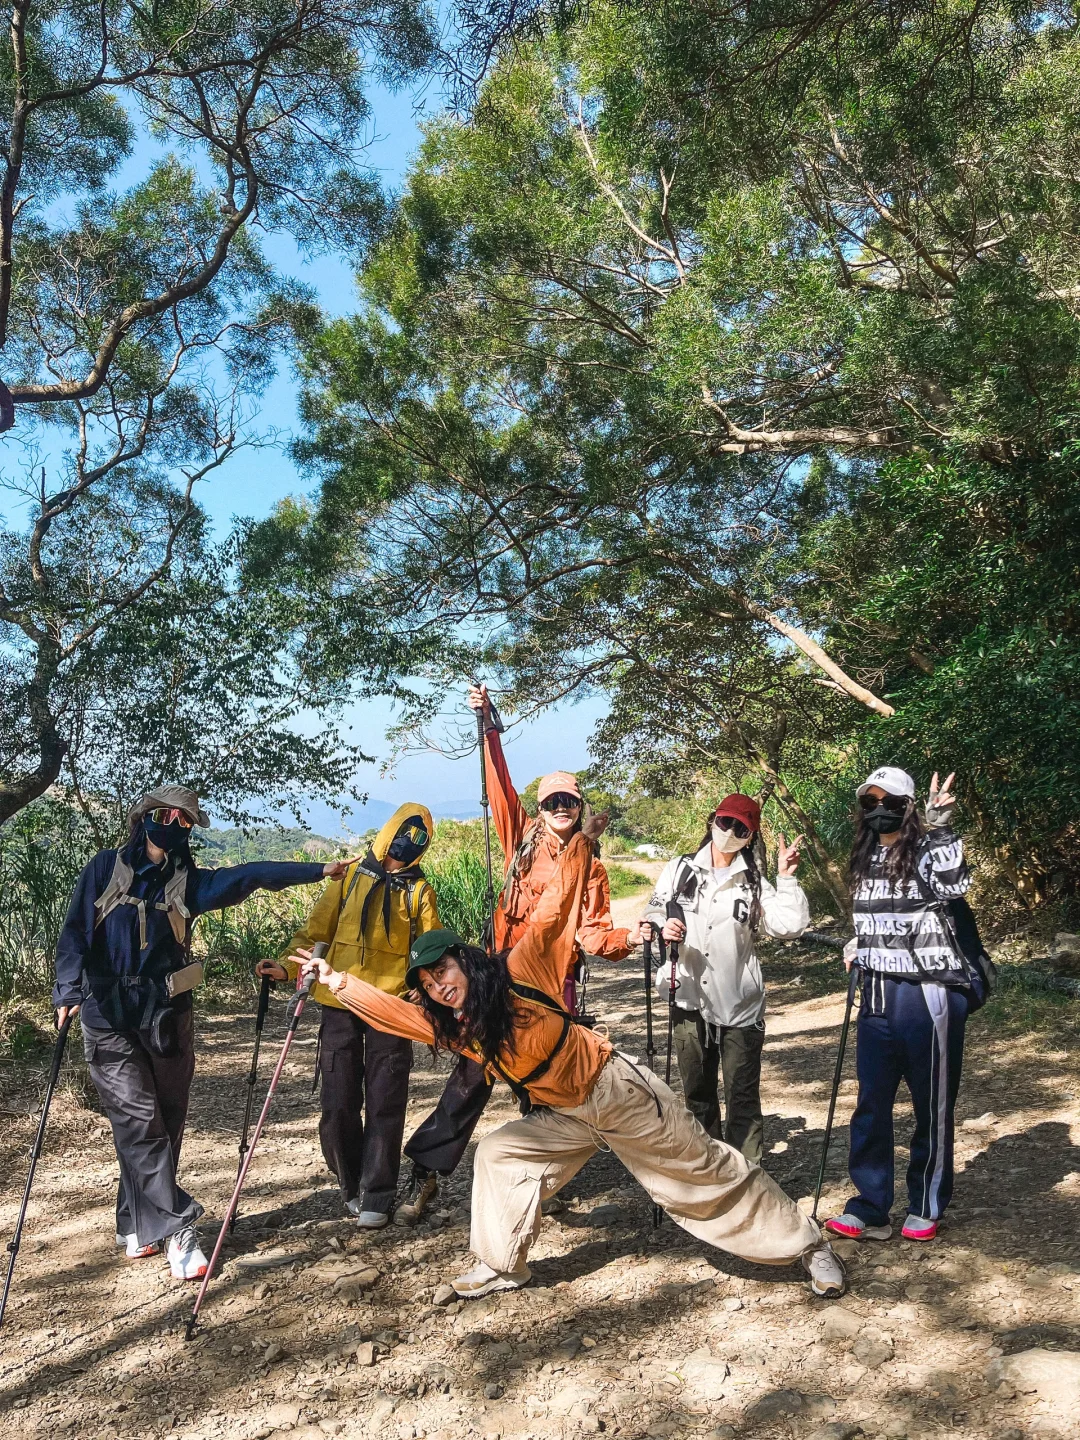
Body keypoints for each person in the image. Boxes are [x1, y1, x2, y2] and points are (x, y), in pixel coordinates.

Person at [291, 817, 847, 1301]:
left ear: (464, 962)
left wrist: (580, 843)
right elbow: (392, 1014)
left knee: (702, 1172)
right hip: (564, 1116)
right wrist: (338, 981)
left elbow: (554, 909)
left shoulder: (521, 971)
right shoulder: (456, 1026)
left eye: (444, 973)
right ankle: (501, 1263)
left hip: (617, 1092)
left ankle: (806, 1242)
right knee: (500, 1154)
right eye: (428, 984)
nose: (439, 987)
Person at [53, 786, 349, 1280]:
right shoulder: (105, 869)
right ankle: (177, 1228)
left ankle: (135, 1223)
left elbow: (250, 875)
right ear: (144, 817)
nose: (178, 826)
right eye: (170, 816)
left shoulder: (188, 882)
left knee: (165, 1122)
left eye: (187, 822)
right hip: (107, 1015)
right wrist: (66, 993)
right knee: (137, 1121)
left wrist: (320, 870)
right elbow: (74, 933)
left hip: (167, 1014)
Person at [394, 682, 650, 1227]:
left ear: (579, 808)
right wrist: (488, 724)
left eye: (569, 801)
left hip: (552, 986)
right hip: (497, 977)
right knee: (471, 1072)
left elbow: (596, 934)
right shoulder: (521, 841)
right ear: (541, 808)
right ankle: (426, 1174)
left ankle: (543, 1179)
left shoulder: (593, 867)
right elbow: (500, 788)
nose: (560, 808)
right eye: (552, 801)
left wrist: (636, 939)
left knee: (546, 1076)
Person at [256, 805, 440, 1229]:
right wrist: (286, 967)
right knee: (338, 1101)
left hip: (389, 1007)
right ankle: (350, 1184)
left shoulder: (419, 891)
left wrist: (425, 985)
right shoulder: (352, 878)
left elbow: (430, 946)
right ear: (388, 830)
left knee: (385, 1100)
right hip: (338, 1002)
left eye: (419, 835)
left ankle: (378, 1193)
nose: (408, 840)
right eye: (404, 830)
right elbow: (316, 934)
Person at [826, 766, 976, 1244]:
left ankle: (927, 1202)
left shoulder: (929, 849)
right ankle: (871, 1207)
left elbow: (953, 887)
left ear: (907, 804)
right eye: (868, 802)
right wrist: (858, 947)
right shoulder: (865, 856)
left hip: (926, 992)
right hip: (876, 992)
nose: (876, 809)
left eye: (886, 800)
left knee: (931, 1102)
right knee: (870, 1103)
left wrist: (943, 825)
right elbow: (874, 919)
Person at [645, 793, 809, 1163]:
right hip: (688, 997)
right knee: (697, 1094)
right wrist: (660, 925)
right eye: (725, 822)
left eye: (741, 828)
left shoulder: (753, 882)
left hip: (739, 1003)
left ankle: (747, 1176)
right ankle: (710, 1171)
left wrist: (786, 879)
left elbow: (789, 926)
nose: (730, 831)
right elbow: (654, 909)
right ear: (712, 821)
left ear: (750, 836)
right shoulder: (679, 869)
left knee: (742, 1096)